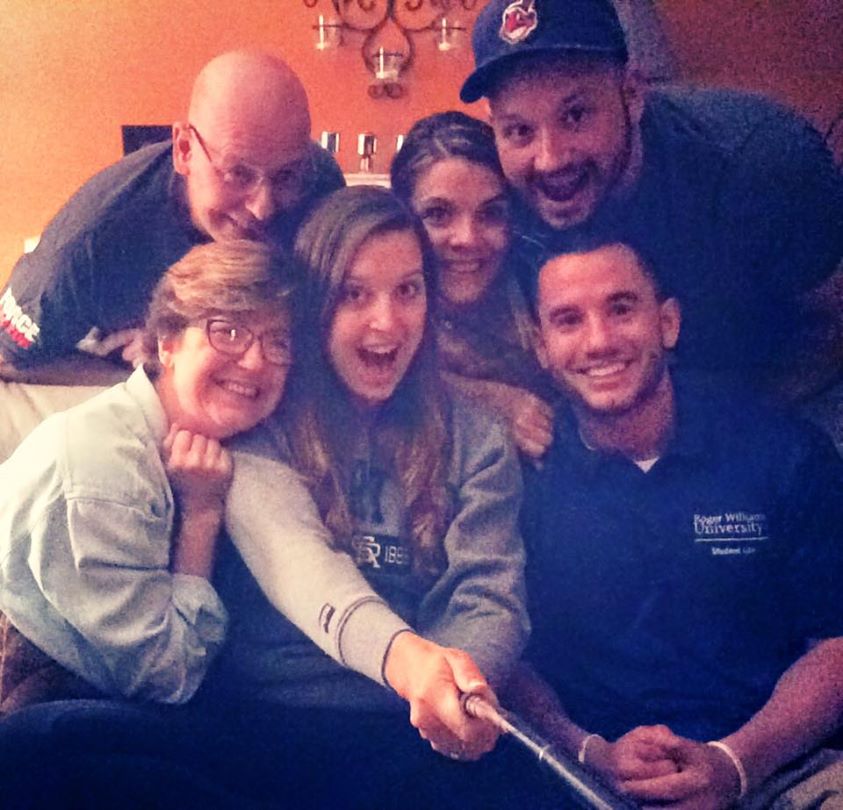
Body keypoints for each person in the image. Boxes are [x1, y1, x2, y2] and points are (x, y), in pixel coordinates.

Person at [0, 189, 555, 809]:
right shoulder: (261, 417)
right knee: (45, 743)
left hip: (410, 722)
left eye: (408, 290)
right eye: (354, 294)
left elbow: (488, 595)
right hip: (254, 723)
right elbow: (296, 559)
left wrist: (453, 692)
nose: (386, 321)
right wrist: (406, 661)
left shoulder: (476, 436)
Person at [513, 239, 843, 808]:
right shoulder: (519, 478)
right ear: (541, 347)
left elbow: (834, 642)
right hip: (584, 777)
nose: (599, 340)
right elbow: (505, 657)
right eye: (569, 320)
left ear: (668, 322)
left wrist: (735, 764)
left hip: (780, 770)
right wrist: (590, 752)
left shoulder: (781, 451)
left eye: (621, 308)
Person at [460, 0, 843, 399]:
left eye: (575, 116)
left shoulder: (760, 163)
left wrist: (720, 426)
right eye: (519, 131)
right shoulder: (491, 199)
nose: (550, 159)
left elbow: (831, 322)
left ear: (632, 94)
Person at [0, 239, 298, 713]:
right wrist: (201, 517)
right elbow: (168, 677)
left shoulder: (224, 447)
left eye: (277, 342)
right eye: (227, 331)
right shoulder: (105, 471)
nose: (255, 360)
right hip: (44, 701)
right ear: (167, 341)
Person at [0, 49, 344, 385]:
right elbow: (6, 355)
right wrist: (143, 373)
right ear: (184, 150)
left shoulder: (317, 181)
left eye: (285, 176)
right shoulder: (87, 244)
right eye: (238, 173)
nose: (262, 207)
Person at [390, 110, 556, 459]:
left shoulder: (544, 289)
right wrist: (489, 399)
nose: (467, 238)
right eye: (438, 214)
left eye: (490, 213)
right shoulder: (380, 309)